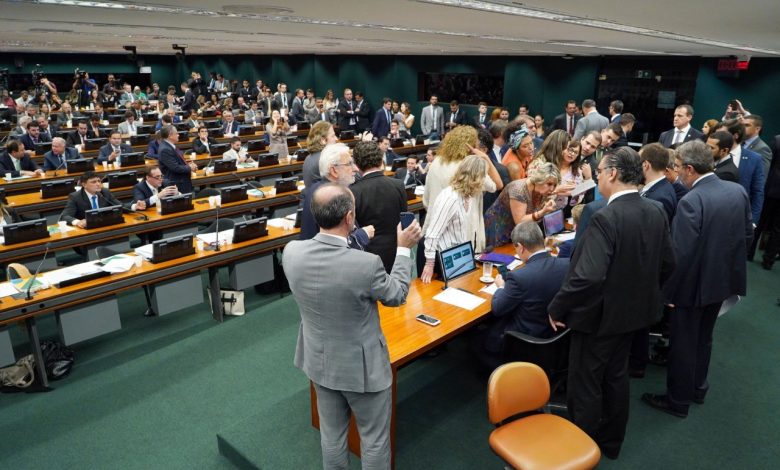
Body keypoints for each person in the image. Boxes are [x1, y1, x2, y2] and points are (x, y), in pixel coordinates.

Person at [547, 146, 675, 460]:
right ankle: (611, 443)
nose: (599, 176)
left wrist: (557, 306)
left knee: (586, 384)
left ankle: (579, 450)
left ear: (613, 174)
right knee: (616, 378)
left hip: (598, 319)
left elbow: (587, 277)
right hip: (635, 316)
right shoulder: (655, 209)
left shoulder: (606, 217)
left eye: (601, 171)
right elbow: (669, 263)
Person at [283, 182, 421, 470]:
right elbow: (396, 295)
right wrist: (404, 249)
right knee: (374, 440)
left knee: (332, 438)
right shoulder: (365, 264)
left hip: (319, 362)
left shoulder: (291, 252)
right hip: (362, 370)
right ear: (349, 218)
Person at [642, 140, 752, 418]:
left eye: (678, 167)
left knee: (683, 344)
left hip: (693, 288)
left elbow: (679, 253)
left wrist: (668, 293)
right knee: (704, 339)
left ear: (690, 168)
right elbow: (746, 236)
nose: (676, 173)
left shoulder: (692, 200)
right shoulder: (737, 191)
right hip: (723, 282)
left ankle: (678, 401)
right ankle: (698, 389)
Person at [474, 221, 571, 368]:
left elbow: (498, 309)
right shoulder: (567, 264)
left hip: (525, 343)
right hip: (555, 335)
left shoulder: (520, 277)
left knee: (475, 341)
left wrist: (501, 287)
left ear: (521, 247)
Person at [422, 126, 500, 254]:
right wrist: (484, 157)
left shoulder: (436, 162)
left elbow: (426, 199)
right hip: (462, 233)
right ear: (470, 144)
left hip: (433, 227)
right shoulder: (470, 166)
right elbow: (496, 185)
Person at [421, 155, 488, 283]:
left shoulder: (469, 196)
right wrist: (429, 265)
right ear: (475, 178)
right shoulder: (450, 198)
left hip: (454, 254)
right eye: (483, 177)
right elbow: (432, 233)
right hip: (437, 257)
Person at [299, 143, 373, 248]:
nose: (356, 169)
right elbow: (336, 244)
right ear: (334, 170)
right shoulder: (331, 196)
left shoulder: (318, 189)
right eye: (349, 164)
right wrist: (363, 234)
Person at [350, 141, 408, 273]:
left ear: (357, 165)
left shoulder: (353, 192)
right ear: (381, 160)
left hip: (369, 257)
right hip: (396, 252)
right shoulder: (398, 185)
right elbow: (404, 221)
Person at [484, 163, 560, 248]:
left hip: (517, 230)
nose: (552, 189)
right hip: (498, 228)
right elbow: (520, 221)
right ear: (540, 179)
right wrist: (542, 212)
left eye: (554, 185)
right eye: (549, 184)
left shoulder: (541, 190)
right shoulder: (518, 190)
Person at [61, 171, 136, 228]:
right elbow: (65, 216)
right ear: (84, 185)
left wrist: (135, 206)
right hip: (87, 229)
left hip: (104, 225)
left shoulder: (105, 192)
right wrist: (78, 222)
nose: (98, 184)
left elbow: (120, 206)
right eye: (93, 182)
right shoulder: (76, 197)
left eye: (99, 181)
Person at [158, 125, 198, 194]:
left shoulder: (170, 146)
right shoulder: (165, 149)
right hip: (177, 184)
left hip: (183, 181)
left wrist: (189, 165)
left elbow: (178, 162)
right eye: (176, 133)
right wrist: (189, 167)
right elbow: (175, 167)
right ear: (170, 135)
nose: (178, 135)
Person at [302, 121, 338, 188]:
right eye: (333, 136)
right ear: (323, 140)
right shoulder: (327, 159)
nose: (336, 139)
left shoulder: (308, 158)